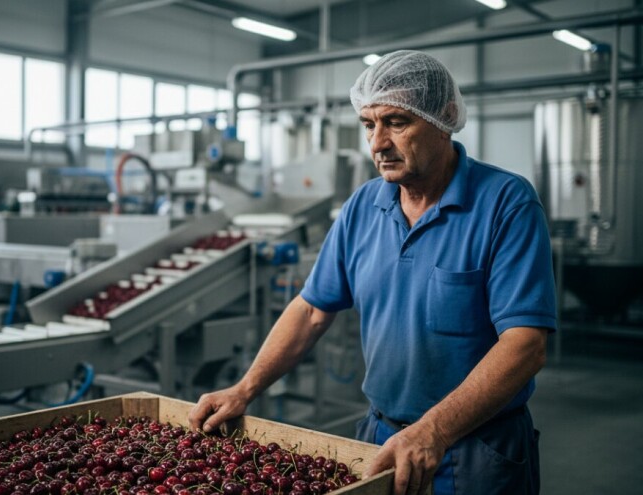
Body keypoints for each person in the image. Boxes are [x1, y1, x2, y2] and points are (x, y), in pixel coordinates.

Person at [188, 50, 556, 495]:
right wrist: (244, 389)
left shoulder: (505, 202)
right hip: (381, 437)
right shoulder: (364, 206)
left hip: (475, 445)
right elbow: (311, 311)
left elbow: (525, 344)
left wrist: (433, 431)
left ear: (446, 118)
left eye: (397, 122)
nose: (378, 143)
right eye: (369, 124)